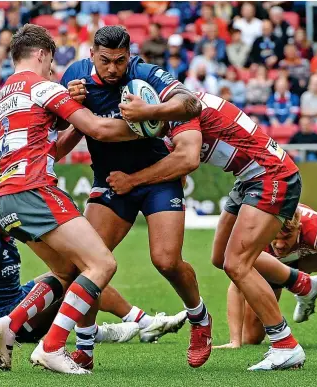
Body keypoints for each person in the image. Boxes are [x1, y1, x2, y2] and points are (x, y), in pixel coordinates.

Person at [0, 24, 173, 375]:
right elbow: (98, 129)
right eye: (51, 62)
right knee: (101, 265)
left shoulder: (4, 93)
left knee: (65, 270)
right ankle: (52, 347)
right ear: (41, 55)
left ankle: (9, 324)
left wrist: (70, 109)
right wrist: (152, 124)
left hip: (6, 197)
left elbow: (55, 141)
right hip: (35, 190)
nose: (53, 70)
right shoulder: (42, 86)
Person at [107, 90, 308, 370]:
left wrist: (132, 181)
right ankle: (302, 284)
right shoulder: (177, 103)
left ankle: (285, 344)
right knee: (220, 258)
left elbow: (187, 161)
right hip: (249, 177)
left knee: (238, 264)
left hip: (270, 175)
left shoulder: (180, 111)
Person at [61, 26, 213, 370]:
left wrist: (149, 112)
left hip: (157, 178)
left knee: (166, 261)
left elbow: (190, 103)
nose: (113, 68)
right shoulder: (75, 77)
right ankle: (84, 349)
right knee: (85, 265)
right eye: (104, 61)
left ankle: (199, 319)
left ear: (130, 55)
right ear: (91, 55)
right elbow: (56, 122)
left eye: (120, 60)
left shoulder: (144, 73)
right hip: (111, 182)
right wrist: (67, 102)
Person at [0, 186, 184, 347]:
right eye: (3, 211)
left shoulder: (5, 232)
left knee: (75, 271)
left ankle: (134, 323)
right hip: (6, 319)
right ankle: (111, 330)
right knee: (80, 275)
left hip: (17, 299)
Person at [217, 204, 317, 350]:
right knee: (251, 337)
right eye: (275, 237)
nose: (280, 245)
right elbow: (236, 285)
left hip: (309, 260)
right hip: (272, 268)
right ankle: (306, 287)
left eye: (287, 237)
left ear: (299, 229)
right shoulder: (255, 234)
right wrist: (234, 340)